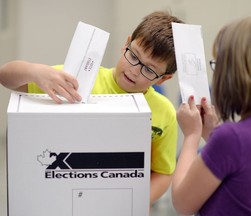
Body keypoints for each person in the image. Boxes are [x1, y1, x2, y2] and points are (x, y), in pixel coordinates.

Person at [0, 11, 184, 206]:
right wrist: (35, 72)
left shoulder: (165, 113)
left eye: (148, 69)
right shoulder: (76, 81)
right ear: (126, 44)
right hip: (60, 195)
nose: (134, 70)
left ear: (164, 78)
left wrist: (132, 202)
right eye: (133, 55)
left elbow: (163, 173)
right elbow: (5, 76)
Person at [172, 14, 251, 215]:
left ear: (236, 73)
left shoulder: (231, 138)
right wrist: (211, 133)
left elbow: (182, 203)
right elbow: (245, 167)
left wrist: (191, 135)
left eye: (217, 65)